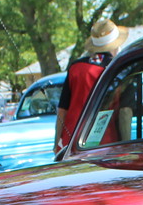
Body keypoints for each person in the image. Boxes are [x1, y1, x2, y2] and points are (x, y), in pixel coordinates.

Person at [54, 18, 129, 152]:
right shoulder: (118, 70)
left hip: (71, 143)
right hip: (105, 143)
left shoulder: (75, 68)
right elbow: (125, 113)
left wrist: (56, 145)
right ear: (116, 45)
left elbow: (62, 110)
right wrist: (126, 147)